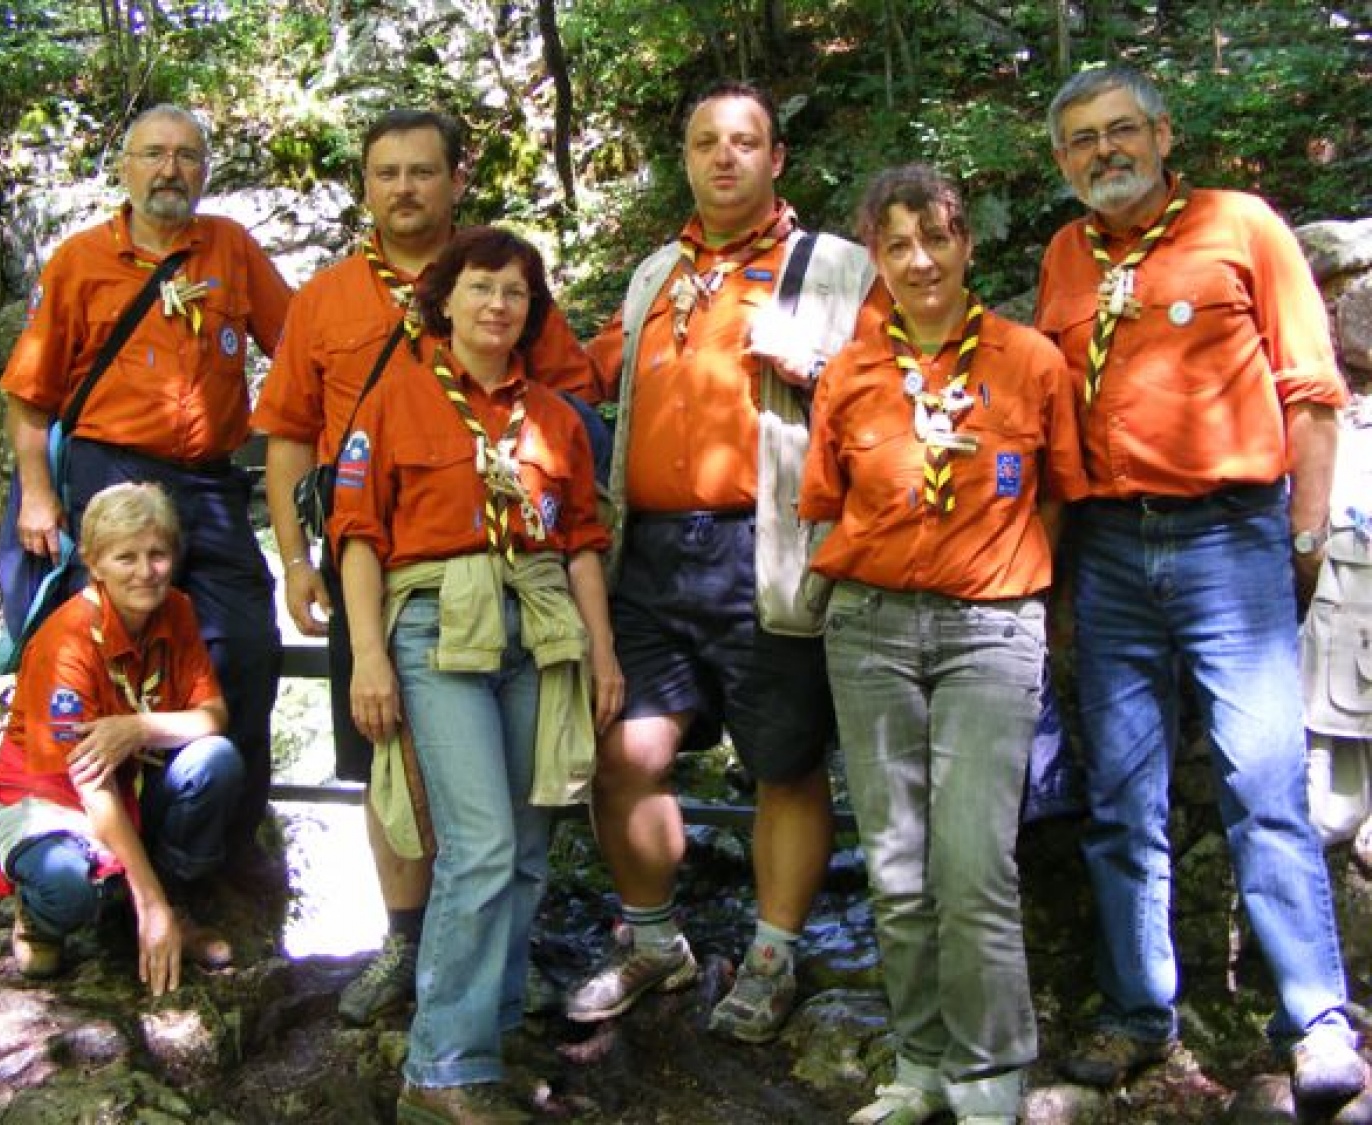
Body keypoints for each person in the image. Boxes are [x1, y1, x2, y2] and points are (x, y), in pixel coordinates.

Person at [1034, 64, 1361, 1106]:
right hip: (1109, 550)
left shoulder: (1241, 225)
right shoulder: (1063, 255)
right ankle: (1139, 1013)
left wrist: (1303, 536)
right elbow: (1047, 408)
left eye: (1121, 129)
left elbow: (1311, 390)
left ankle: (1314, 1020)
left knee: (1265, 785)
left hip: (1232, 540)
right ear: (1061, 158)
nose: (1104, 151)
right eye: (1081, 139)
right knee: (1123, 796)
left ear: (1164, 133)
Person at [252, 108, 600, 1024]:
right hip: (377, 561)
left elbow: (571, 410)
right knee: (385, 756)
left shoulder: (507, 280)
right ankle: (404, 942)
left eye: (421, 171)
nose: (403, 188)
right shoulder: (324, 300)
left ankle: (490, 970)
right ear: (365, 186)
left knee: (504, 815)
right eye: (385, 172)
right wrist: (298, 559)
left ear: (454, 180)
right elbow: (289, 436)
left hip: (507, 570)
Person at [566, 80, 873, 1044]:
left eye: (745, 142)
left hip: (767, 546)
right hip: (651, 554)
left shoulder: (834, 267)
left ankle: (774, 950)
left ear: (776, 158)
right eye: (705, 142)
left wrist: (821, 371)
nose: (724, 157)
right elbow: (593, 371)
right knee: (625, 754)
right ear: (687, 158)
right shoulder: (658, 268)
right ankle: (654, 938)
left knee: (783, 758)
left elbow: (901, 389)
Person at [801, 165, 1088, 1125]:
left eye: (937, 237)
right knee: (896, 863)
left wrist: (1012, 582)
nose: (919, 260)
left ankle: (990, 1077)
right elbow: (824, 505)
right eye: (896, 244)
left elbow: (1056, 495)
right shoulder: (849, 374)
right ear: (875, 257)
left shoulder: (1030, 360)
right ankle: (920, 1065)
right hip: (870, 628)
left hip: (991, 629)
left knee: (974, 862)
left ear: (968, 244)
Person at [329, 226, 621, 1124]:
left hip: (538, 627)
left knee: (530, 849)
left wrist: (602, 652)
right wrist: (369, 654)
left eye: (517, 293)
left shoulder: (556, 419)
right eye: (482, 287)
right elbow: (358, 538)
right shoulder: (395, 399)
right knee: (482, 844)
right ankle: (442, 1067)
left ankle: (488, 1028)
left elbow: (579, 545)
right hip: (434, 629)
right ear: (445, 298)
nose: (499, 305)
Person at [0, 104, 291, 882]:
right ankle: (91, 860)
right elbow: (29, 394)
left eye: (188, 156)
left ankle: (217, 852)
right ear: (124, 168)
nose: (171, 170)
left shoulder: (230, 247)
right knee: (106, 649)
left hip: (211, 485)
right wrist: (37, 494)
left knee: (247, 648)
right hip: (110, 477)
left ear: (205, 170)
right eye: (154, 154)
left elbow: (296, 352)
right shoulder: (80, 260)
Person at [0, 483, 242, 995]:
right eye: (126, 557)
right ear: (94, 564)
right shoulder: (65, 639)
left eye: (157, 554)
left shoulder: (176, 611)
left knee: (215, 762)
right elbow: (89, 783)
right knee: (66, 890)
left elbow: (213, 716)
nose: (146, 571)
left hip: (125, 789)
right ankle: (41, 917)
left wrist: (137, 727)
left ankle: (166, 905)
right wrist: (148, 899)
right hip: (50, 798)